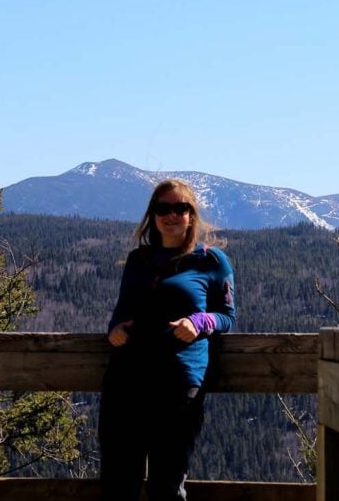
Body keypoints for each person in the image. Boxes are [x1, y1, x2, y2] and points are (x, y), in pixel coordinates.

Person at [99, 178, 236, 500]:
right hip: (126, 377)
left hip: (178, 380)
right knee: (119, 482)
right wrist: (116, 328)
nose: (171, 215)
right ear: (152, 215)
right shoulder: (138, 260)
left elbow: (227, 317)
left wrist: (201, 321)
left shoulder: (212, 261)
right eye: (163, 208)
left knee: (167, 485)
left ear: (192, 215)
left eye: (180, 208)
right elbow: (121, 312)